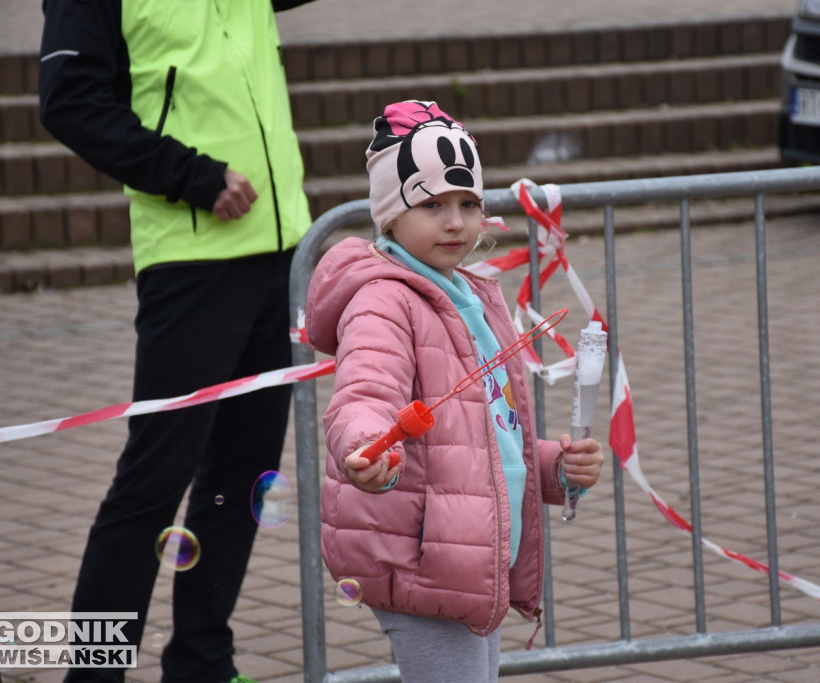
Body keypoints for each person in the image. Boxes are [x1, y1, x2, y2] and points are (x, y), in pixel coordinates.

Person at [37, 1, 316, 681]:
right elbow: (69, 101)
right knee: (150, 485)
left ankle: (202, 665)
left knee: (243, 477)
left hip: (283, 254)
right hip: (191, 264)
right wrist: (191, 175)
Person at [305, 100, 605, 682]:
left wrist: (555, 468)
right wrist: (368, 445)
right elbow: (364, 391)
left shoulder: (473, 295)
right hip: (425, 560)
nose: (455, 222)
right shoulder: (384, 299)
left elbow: (486, 436)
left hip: (470, 555)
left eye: (468, 203)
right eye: (432, 204)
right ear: (389, 216)